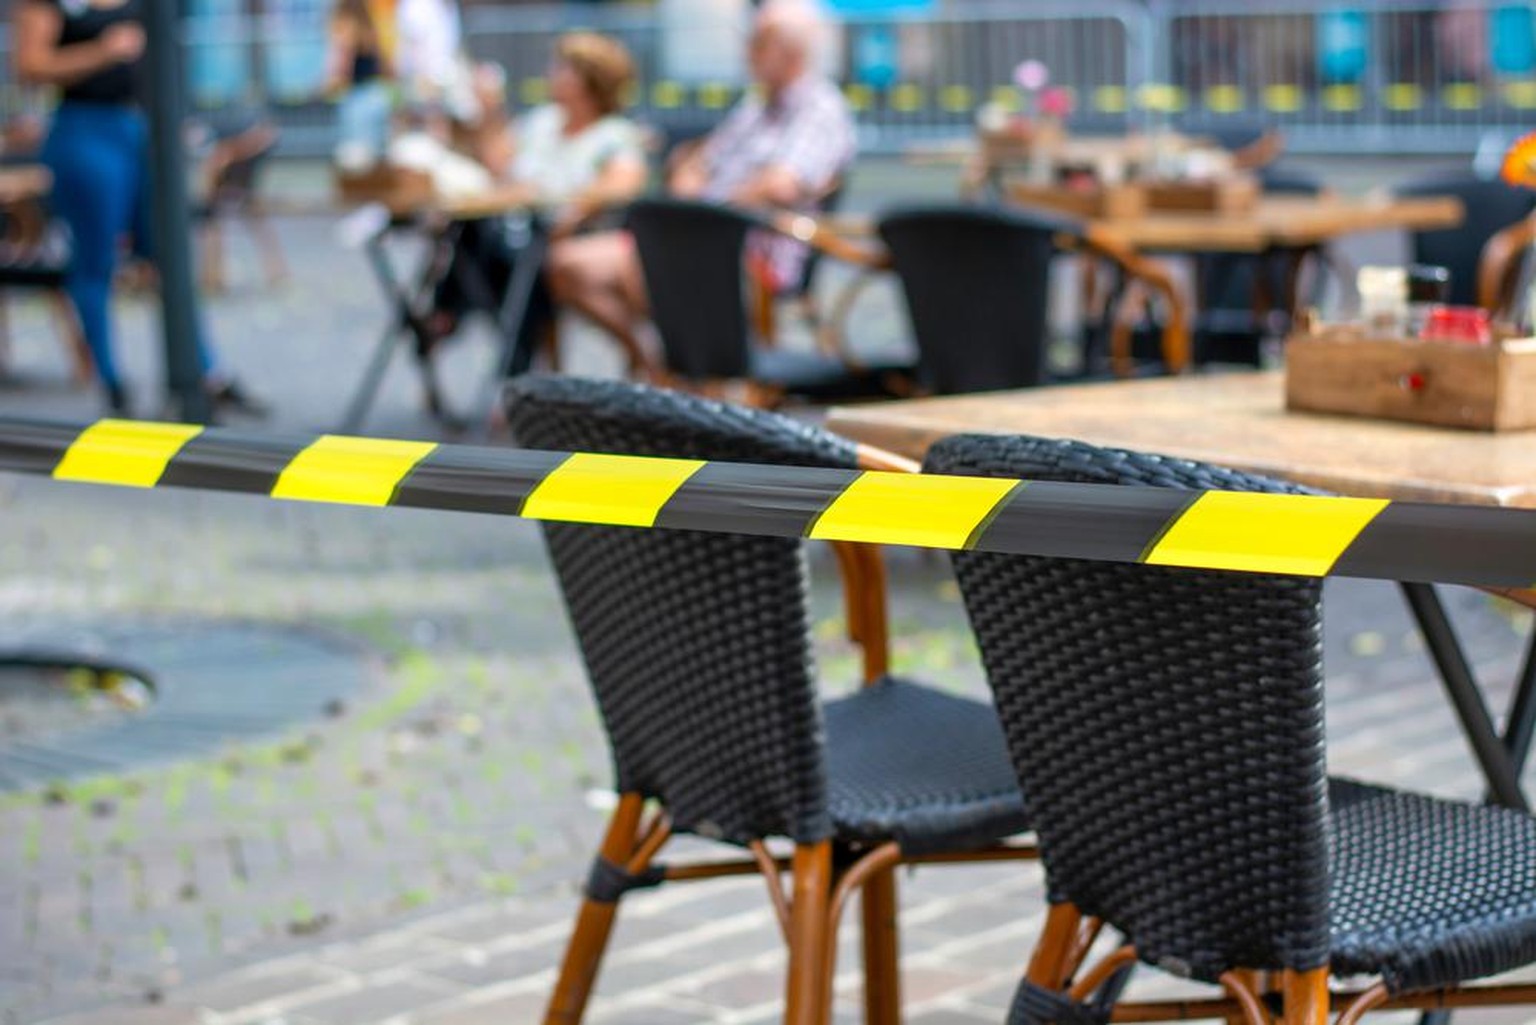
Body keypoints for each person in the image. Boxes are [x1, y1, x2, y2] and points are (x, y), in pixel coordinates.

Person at [547, 0, 854, 361]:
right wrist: (692, 176)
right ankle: (659, 363)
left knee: (645, 261)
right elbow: (698, 162)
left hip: (755, 245)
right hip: (703, 233)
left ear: (791, 50)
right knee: (566, 265)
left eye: (758, 43)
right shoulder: (757, 105)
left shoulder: (819, 108)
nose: (748, 53)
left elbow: (781, 185)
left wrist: (708, 203)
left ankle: (684, 374)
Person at [14, 0, 263, 416]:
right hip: (84, 130)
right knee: (96, 262)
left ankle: (204, 375)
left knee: (169, 254)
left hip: (137, 127)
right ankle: (113, 384)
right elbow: (31, 64)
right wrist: (103, 51)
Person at [428, 32, 650, 373]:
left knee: (508, 257)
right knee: (470, 233)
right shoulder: (542, 122)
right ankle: (466, 327)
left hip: (562, 235)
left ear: (590, 80)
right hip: (516, 233)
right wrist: (488, 112)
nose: (552, 73)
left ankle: (450, 319)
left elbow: (622, 185)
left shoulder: (612, 135)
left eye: (563, 68)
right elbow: (499, 167)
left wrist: (568, 212)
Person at [326, 0, 393, 170]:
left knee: (357, 164)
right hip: (378, 96)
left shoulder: (346, 31)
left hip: (358, 101)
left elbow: (342, 71)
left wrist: (328, 87)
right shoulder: (371, 30)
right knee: (377, 160)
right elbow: (386, 67)